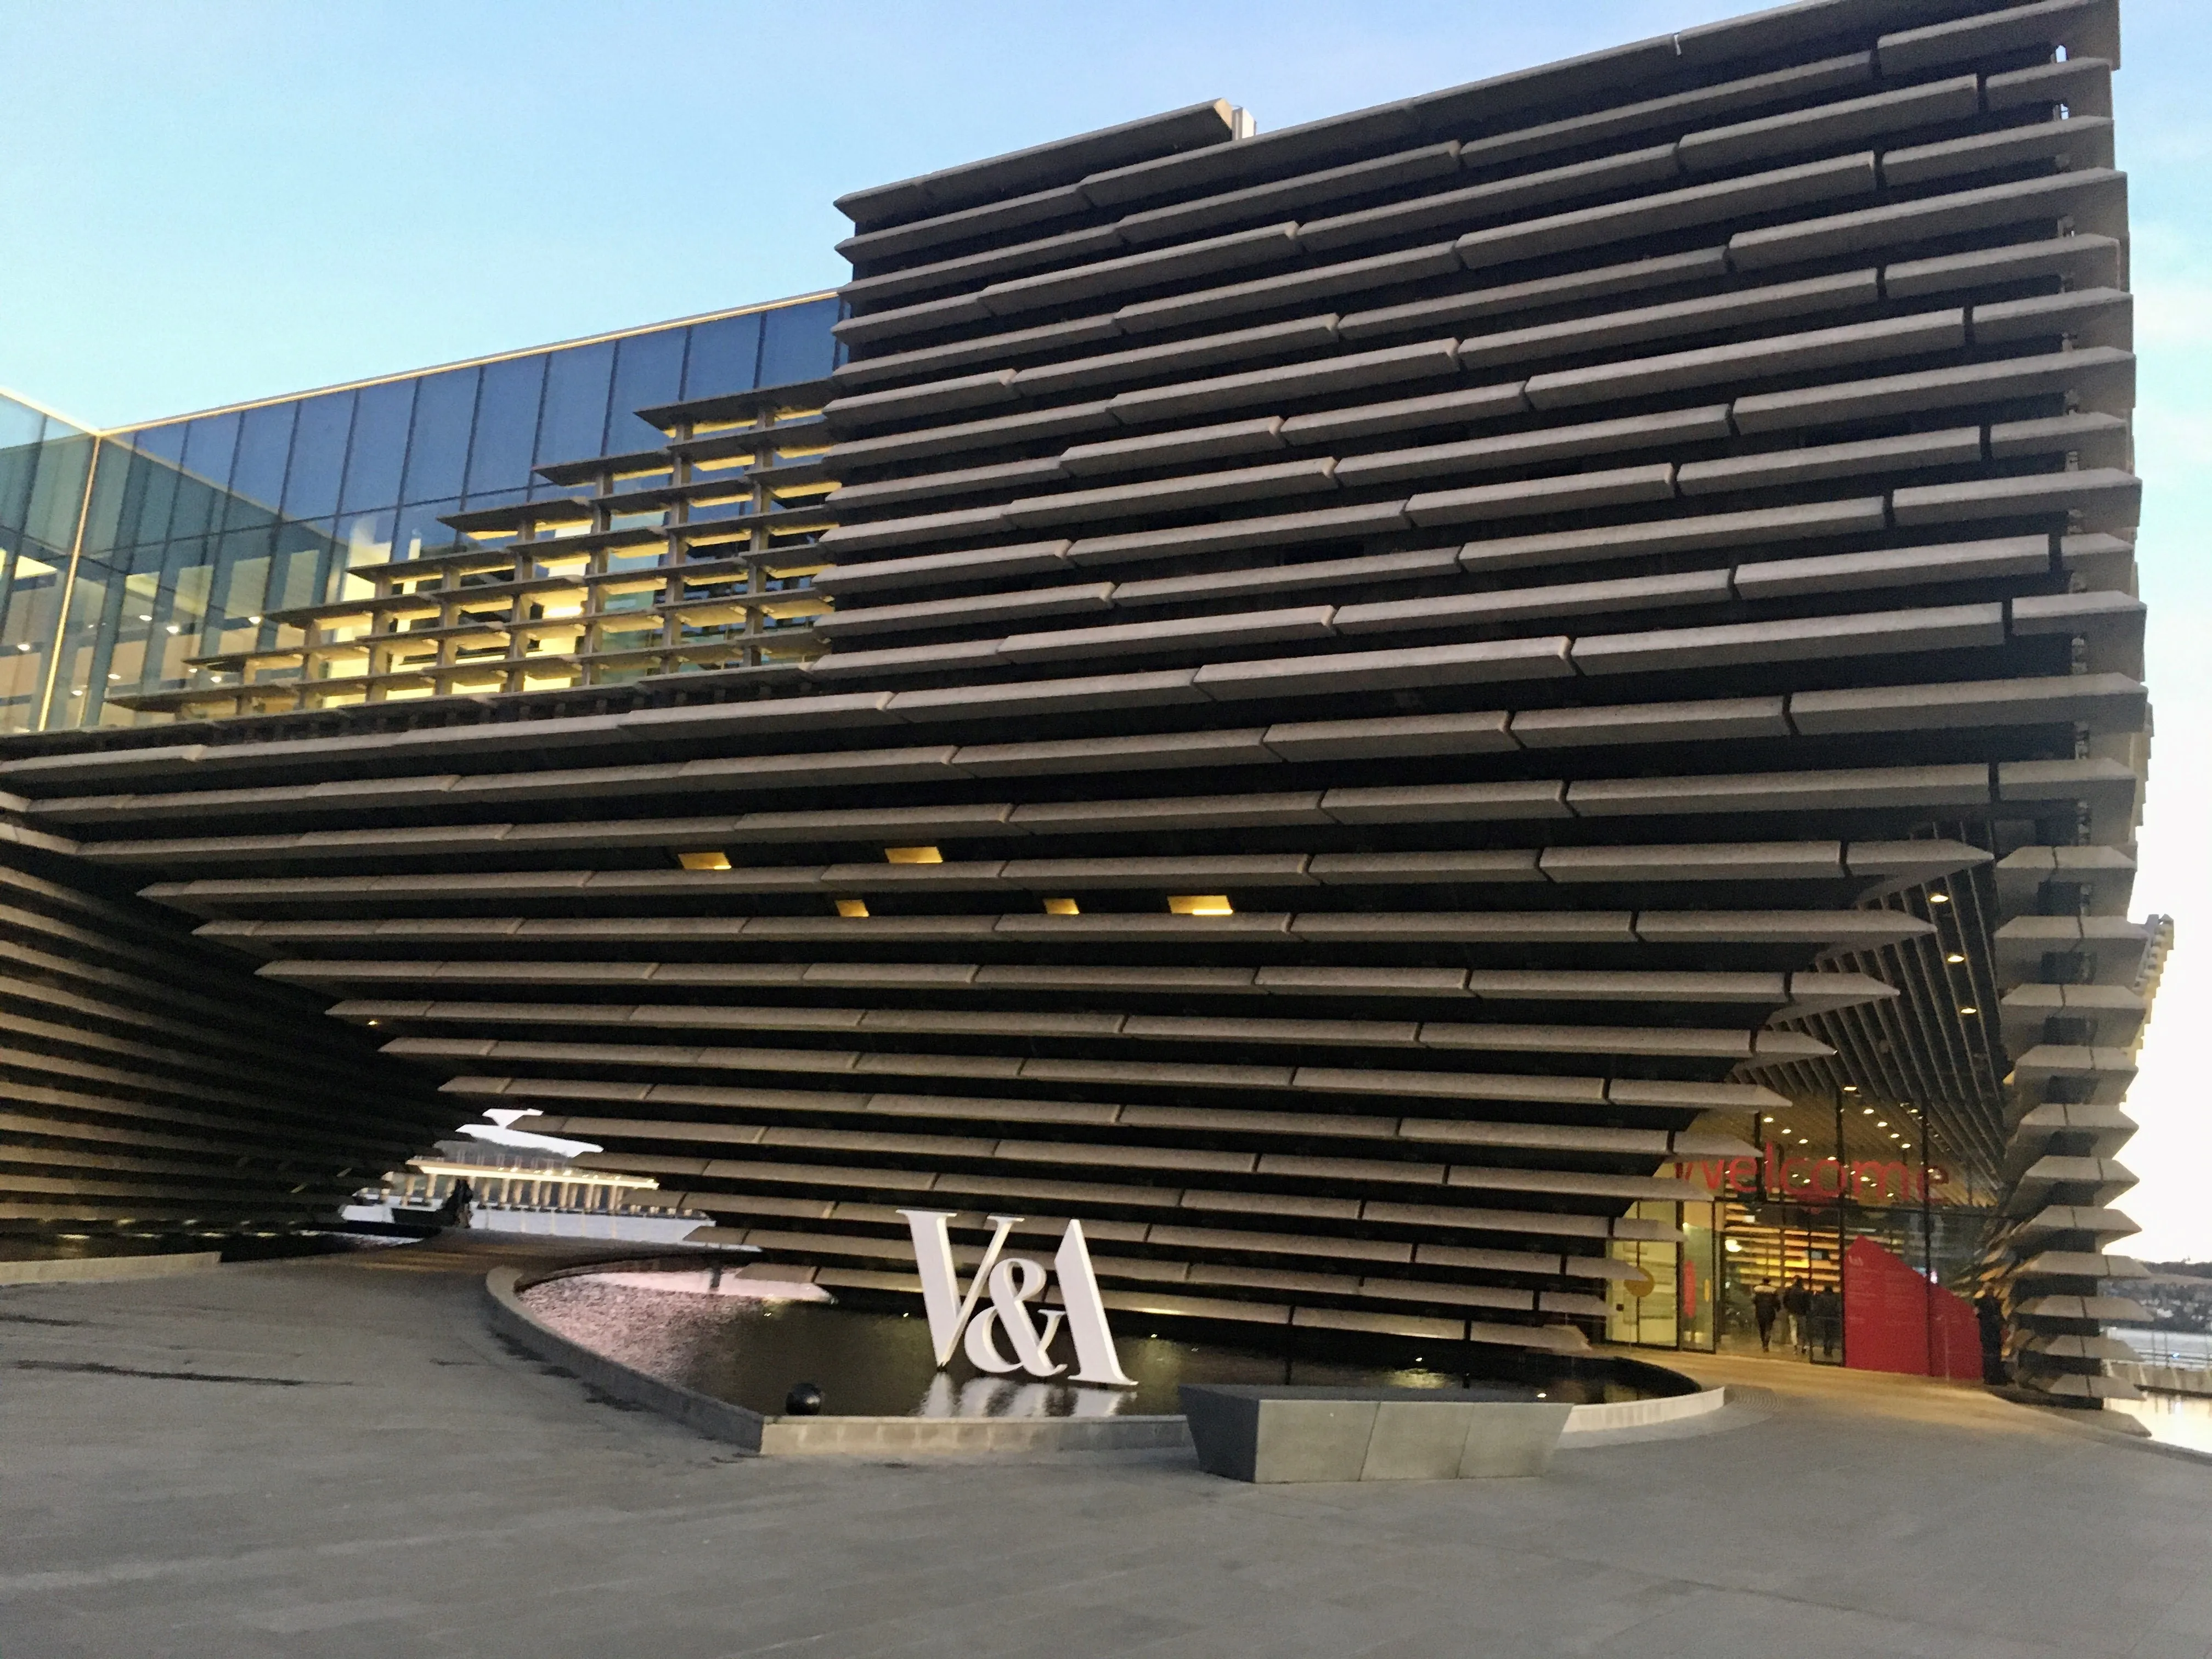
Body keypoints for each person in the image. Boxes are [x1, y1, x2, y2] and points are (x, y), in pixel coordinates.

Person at [1976, 1290, 2008, 1385]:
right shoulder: (1996, 1303)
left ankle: (1989, 1376)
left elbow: (1978, 1315)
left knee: (1988, 1353)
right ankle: (1994, 1376)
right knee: (1995, 1353)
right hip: (1993, 1331)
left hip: (1987, 1331)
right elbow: (1999, 1316)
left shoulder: (1980, 1303)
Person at [1809, 1283, 1841, 1361]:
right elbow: (1838, 1308)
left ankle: (1826, 1348)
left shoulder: (1822, 1298)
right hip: (1833, 1319)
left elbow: (1818, 1308)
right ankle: (1830, 1350)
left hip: (1823, 1318)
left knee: (1826, 1334)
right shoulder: (1835, 1298)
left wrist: (1815, 1315)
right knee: (1832, 1335)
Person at [1782, 1278, 1812, 1353]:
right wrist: (1808, 1311)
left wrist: (1788, 1308)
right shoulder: (1804, 1292)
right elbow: (1808, 1303)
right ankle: (1804, 1346)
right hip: (1802, 1314)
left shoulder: (1789, 1290)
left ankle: (1795, 1346)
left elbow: (1785, 1301)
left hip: (1792, 1312)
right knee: (1803, 1330)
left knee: (1793, 1329)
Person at [1752, 1279, 1780, 1351]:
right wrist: (1778, 1309)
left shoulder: (1757, 1289)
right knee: (1768, 1328)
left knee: (1762, 1329)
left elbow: (1754, 1300)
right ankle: (1766, 1345)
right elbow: (1777, 1302)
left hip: (1760, 1311)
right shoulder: (1773, 1291)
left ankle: (1763, 1343)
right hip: (1770, 1312)